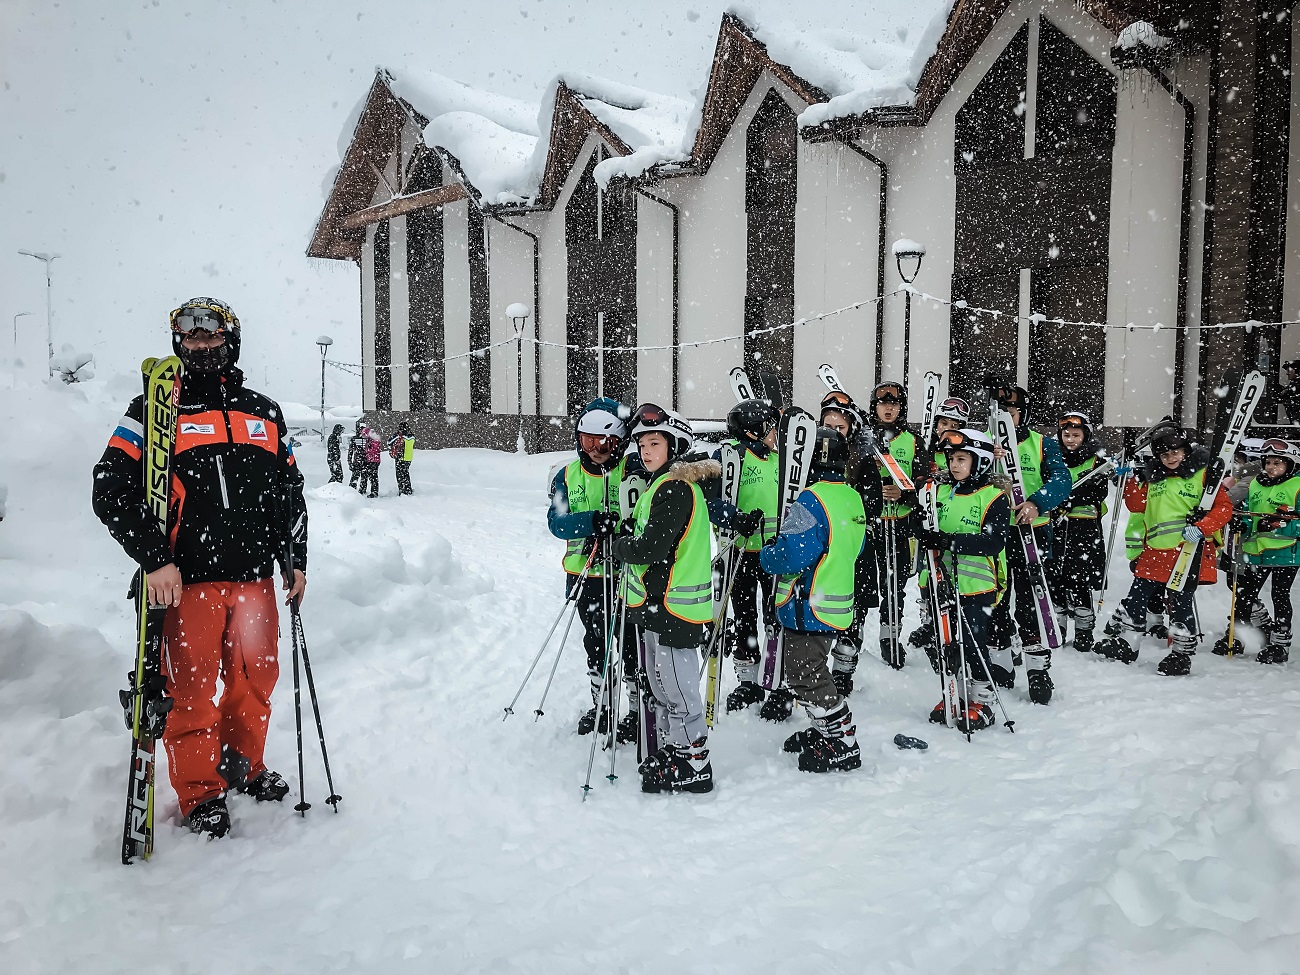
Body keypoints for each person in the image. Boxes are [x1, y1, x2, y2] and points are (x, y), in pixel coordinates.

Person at [92, 297, 307, 838]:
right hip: (188, 583)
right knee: (190, 691)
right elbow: (109, 488)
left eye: (211, 339)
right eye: (191, 340)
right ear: (178, 345)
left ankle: (242, 765)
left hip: (256, 579)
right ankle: (199, 791)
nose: (201, 347)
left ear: (230, 341)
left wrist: (295, 560)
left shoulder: (265, 412)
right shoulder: (153, 412)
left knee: (257, 678)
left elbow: (289, 491)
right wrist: (155, 559)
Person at [612, 404, 716, 793]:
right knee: (666, 685)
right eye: (641, 443)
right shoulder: (662, 486)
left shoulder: (675, 487)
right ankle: (678, 750)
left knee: (678, 687)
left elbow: (653, 547)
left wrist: (623, 547)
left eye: (655, 442)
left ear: (674, 446)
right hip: (662, 607)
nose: (646, 450)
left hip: (674, 607)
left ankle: (695, 765)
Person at [759, 426, 867, 772]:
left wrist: (768, 554)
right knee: (814, 668)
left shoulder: (811, 499)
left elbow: (793, 554)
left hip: (809, 603)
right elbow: (857, 546)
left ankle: (842, 740)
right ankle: (825, 731)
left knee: (805, 674)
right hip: (834, 600)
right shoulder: (850, 497)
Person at [1098, 424, 1231, 675]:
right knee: (1136, 598)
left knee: (1180, 603)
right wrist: (1126, 481)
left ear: (1185, 451)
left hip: (1187, 550)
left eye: (1175, 452)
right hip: (1156, 551)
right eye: (1164, 455)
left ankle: (1181, 656)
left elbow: (1223, 508)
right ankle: (1128, 643)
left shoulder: (1202, 475)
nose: (1170, 458)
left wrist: (1202, 528)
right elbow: (1137, 505)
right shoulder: (1154, 478)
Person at [546, 398, 636, 737]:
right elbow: (557, 522)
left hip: (626, 575)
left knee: (631, 644)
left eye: (606, 443)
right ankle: (603, 706)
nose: (596, 450)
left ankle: (636, 707)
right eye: (588, 441)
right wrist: (590, 521)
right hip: (588, 576)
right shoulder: (567, 475)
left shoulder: (631, 470)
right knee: (596, 642)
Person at [913, 428, 1010, 732]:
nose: (953, 465)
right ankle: (954, 694)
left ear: (979, 461)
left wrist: (948, 541)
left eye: (961, 458)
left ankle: (982, 700)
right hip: (941, 582)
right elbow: (922, 521)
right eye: (951, 458)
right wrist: (920, 526)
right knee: (947, 642)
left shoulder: (993, 497)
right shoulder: (939, 492)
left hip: (976, 586)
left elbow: (993, 542)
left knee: (974, 643)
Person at [986, 384, 1072, 704]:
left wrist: (1037, 503)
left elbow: (1062, 480)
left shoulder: (1042, 444)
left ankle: (1037, 667)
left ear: (1022, 412)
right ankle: (1001, 661)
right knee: (995, 597)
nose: (1007, 416)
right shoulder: (984, 442)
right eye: (1000, 411)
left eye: (1012, 410)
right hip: (995, 534)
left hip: (1032, 533)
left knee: (1030, 600)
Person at [704, 399, 783, 717]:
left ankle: (778, 682)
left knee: (776, 619)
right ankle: (748, 681)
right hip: (739, 552)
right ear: (754, 429)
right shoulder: (727, 457)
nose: (776, 434)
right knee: (746, 619)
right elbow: (707, 500)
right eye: (771, 428)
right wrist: (734, 517)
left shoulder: (781, 461)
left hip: (775, 553)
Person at [816, 390, 883, 696]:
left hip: (854, 550)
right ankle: (814, 668)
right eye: (828, 425)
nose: (833, 433)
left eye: (839, 427)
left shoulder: (862, 462)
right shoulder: (811, 460)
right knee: (820, 607)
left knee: (854, 612)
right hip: (822, 550)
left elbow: (872, 506)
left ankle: (844, 667)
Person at [866, 381, 929, 669]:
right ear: (874, 406)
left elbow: (927, 483)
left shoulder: (913, 440)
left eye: (894, 404)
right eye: (883, 403)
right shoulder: (863, 439)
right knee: (864, 584)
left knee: (894, 585)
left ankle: (890, 637)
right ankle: (849, 641)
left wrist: (905, 493)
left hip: (901, 524)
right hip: (869, 524)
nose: (888, 408)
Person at [1235, 438, 1300, 663]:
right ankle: (1241, 635)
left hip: (1286, 551)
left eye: (1277, 463)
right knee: (1245, 594)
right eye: (1268, 462)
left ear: (1290, 464)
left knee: (1279, 595)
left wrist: (1279, 523)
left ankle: (1280, 644)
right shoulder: (1255, 484)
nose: (1271, 467)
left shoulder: (1297, 485)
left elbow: (1296, 520)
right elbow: (1248, 513)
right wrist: (1240, 524)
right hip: (1257, 550)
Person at [1049, 412, 1109, 654]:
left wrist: (1073, 496)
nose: (1070, 439)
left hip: (1084, 528)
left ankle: (1084, 629)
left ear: (1085, 436)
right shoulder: (1053, 459)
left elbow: (1099, 492)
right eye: (1066, 434)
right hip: (1058, 525)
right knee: (1055, 576)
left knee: (1079, 577)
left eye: (1076, 435)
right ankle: (1058, 624)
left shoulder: (1095, 461)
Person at [387, 422, 415, 496]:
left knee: (399, 475)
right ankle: (408, 489)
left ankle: (401, 490)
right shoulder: (412, 436)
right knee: (406, 473)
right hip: (409, 458)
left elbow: (389, 441)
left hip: (400, 457)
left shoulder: (399, 436)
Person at [361, 425, 383, 497]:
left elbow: (374, 451)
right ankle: (373, 491)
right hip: (371, 460)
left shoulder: (374, 440)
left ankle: (374, 492)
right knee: (372, 477)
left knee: (373, 477)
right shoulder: (370, 440)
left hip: (373, 461)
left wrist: (368, 450)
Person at [348, 420, 367, 491]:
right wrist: (349, 462)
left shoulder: (367, 439)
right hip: (360, 461)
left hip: (363, 460)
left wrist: (349, 462)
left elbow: (350, 452)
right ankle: (353, 490)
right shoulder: (355, 439)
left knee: (362, 477)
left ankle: (360, 490)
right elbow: (350, 452)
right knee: (358, 477)